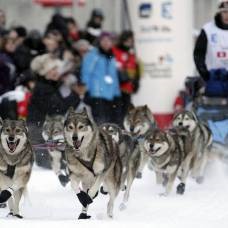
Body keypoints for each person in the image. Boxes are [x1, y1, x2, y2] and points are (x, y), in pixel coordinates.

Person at [81, 32, 121, 124]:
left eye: (109, 40)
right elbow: (86, 73)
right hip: (97, 93)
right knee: (100, 121)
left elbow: (114, 75)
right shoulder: (93, 55)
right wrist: (86, 89)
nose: (106, 43)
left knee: (112, 122)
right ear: (99, 41)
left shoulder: (112, 55)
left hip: (112, 94)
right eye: (104, 40)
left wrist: (117, 92)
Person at [194, 0, 228, 97]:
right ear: (220, 12)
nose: (227, 15)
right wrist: (206, 75)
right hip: (214, 80)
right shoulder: (208, 29)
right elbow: (198, 54)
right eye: (224, 12)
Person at [112, 30, 140, 122]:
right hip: (116, 89)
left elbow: (136, 69)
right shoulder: (114, 51)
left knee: (125, 113)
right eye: (127, 40)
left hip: (127, 88)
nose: (129, 43)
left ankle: (123, 132)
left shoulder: (131, 54)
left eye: (131, 41)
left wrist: (136, 81)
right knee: (116, 113)